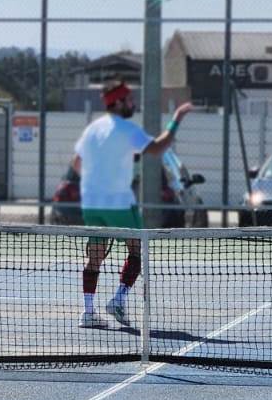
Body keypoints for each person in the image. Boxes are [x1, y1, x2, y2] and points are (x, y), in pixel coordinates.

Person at [72, 80, 192, 328]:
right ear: (118, 103)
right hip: (119, 204)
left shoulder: (92, 129)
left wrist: (98, 181)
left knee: (94, 257)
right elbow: (158, 148)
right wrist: (177, 119)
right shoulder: (127, 129)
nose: (133, 103)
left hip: (92, 204)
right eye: (129, 100)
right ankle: (118, 299)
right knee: (138, 250)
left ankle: (88, 312)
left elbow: (77, 163)